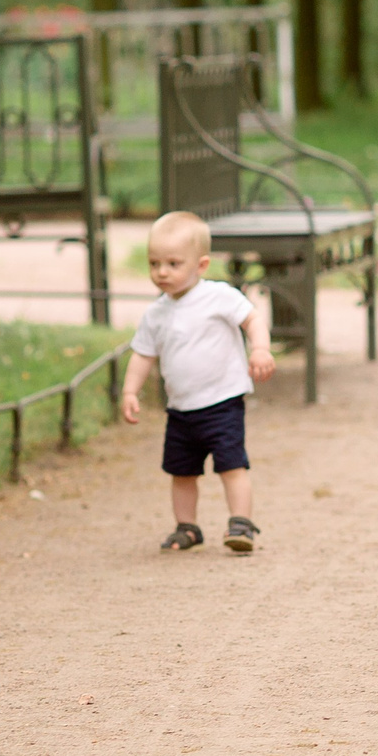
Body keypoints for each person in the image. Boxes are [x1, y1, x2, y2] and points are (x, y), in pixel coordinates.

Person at [118, 211, 276, 552]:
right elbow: (143, 354)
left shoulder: (218, 296)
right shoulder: (156, 313)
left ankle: (241, 524)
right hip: (180, 409)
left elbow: (252, 318)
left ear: (201, 265)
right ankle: (187, 527)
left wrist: (260, 349)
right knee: (182, 471)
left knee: (232, 465)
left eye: (173, 263)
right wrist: (131, 391)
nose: (162, 272)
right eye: (154, 263)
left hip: (222, 402)